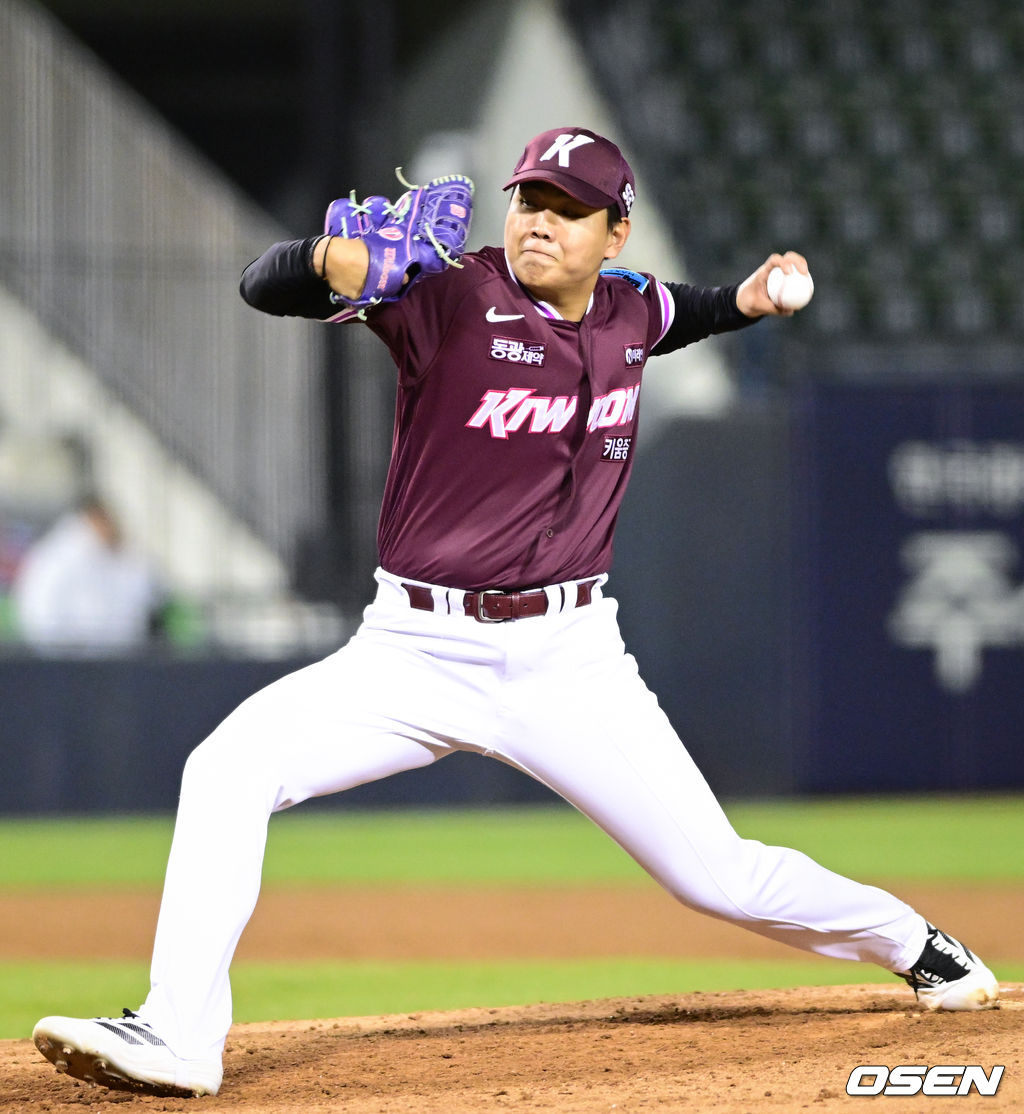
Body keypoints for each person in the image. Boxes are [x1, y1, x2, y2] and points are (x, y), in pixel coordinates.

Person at [33, 127, 998, 1099]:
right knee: (227, 768)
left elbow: (680, 313)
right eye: (529, 199)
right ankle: (178, 1035)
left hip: (569, 659)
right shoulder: (447, 294)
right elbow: (263, 284)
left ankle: (918, 945)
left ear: (615, 235)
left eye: (569, 210)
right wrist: (331, 259)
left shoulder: (628, 307)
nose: (540, 221)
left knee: (719, 877)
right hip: (411, 650)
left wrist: (744, 302)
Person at [12, 494, 161, 656]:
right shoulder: (56, 558)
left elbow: (144, 599)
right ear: (94, 517)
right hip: (71, 661)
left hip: (122, 658)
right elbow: (40, 616)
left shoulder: (122, 556)